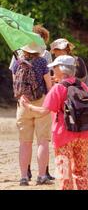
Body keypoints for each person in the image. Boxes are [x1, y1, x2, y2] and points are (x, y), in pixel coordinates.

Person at [21, 55, 88, 190]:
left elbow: (44, 111)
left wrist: (28, 106)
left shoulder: (58, 88)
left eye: (54, 68)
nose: (52, 70)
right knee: (81, 170)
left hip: (64, 136)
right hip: (85, 134)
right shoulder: (83, 86)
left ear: (61, 70)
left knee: (64, 172)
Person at [50, 38, 88, 178]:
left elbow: (74, 77)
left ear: (65, 49)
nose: (56, 54)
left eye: (57, 51)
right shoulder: (61, 64)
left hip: (82, 104)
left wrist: (61, 79)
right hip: (69, 104)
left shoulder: (75, 61)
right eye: (55, 52)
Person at [10, 24, 54, 181]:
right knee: (42, 141)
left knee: (25, 143)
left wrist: (21, 97)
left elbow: (15, 83)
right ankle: (42, 175)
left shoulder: (17, 62)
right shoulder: (42, 62)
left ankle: (23, 177)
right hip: (40, 102)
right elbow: (49, 86)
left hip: (23, 104)